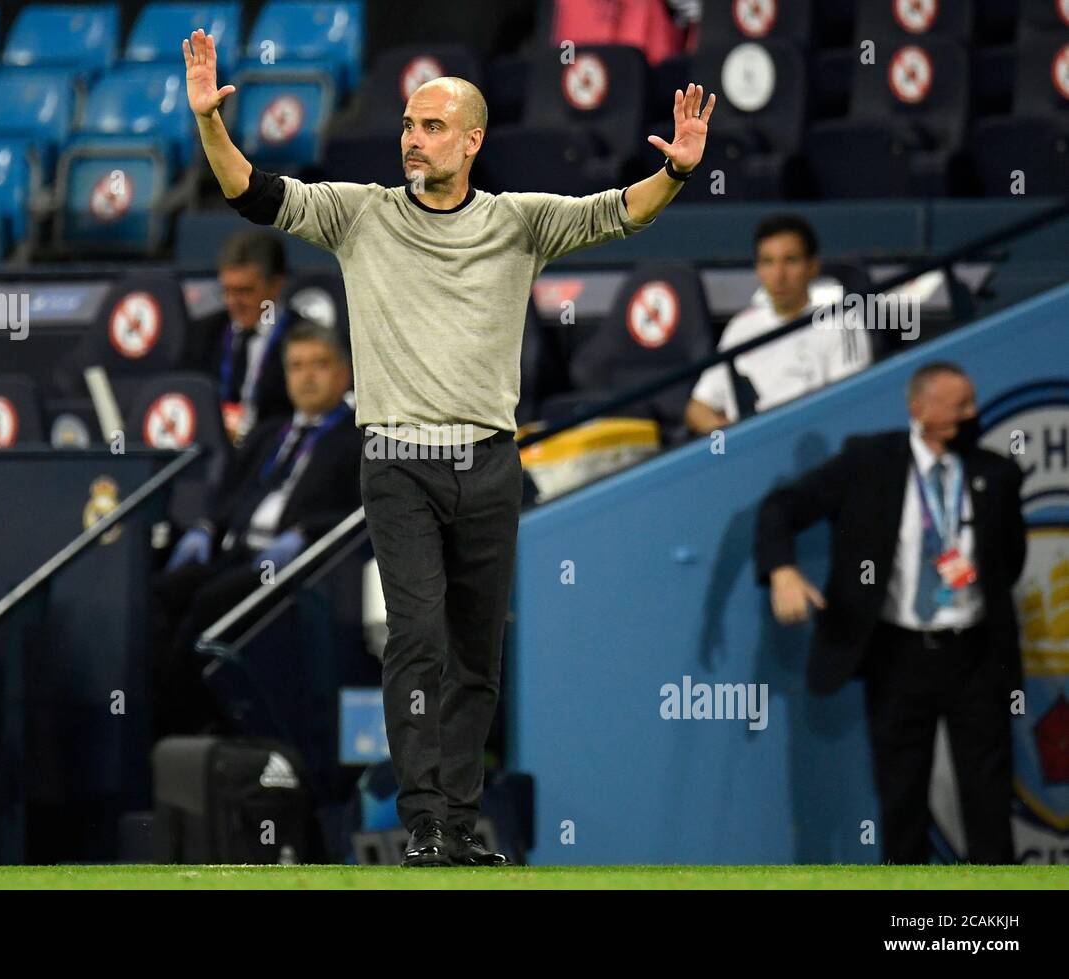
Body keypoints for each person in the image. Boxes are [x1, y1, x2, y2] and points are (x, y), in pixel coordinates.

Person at [183, 28, 715, 865]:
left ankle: (457, 825)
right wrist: (212, 124)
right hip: (397, 461)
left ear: (471, 140)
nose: (412, 138)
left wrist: (679, 167)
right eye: (406, 124)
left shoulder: (519, 222)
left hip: (491, 463)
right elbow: (252, 193)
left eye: (432, 126)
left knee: (476, 655)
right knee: (417, 637)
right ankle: (424, 820)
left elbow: (624, 211)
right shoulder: (361, 214)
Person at [755, 362, 1027, 864]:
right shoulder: (869, 464)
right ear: (917, 408)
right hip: (898, 660)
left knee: (988, 807)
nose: (971, 414)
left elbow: (1008, 561)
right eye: (958, 405)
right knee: (901, 806)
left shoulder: (996, 473)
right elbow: (780, 507)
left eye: (972, 403)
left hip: (977, 659)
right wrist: (782, 571)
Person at [149, 322, 361, 742]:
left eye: (320, 365)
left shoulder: (359, 437)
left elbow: (363, 512)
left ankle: (178, 727)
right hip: (235, 554)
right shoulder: (269, 433)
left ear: (345, 373)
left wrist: (305, 533)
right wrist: (205, 529)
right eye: (297, 366)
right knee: (160, 593)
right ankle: (158, 716)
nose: (308, 376)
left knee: (210, 604)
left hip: (293, 570)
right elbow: (225, 496)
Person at [685, 214, 871, 435]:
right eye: (768, 262)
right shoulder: (740, 328)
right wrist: (724, 434)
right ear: (758, 269)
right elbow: (699, 407)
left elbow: (849, 409)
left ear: (813, 266)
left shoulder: (842, 324)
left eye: (791, 260)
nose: (779, 275)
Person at [183, 230, 298, 445]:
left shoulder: (301, 338)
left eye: (244, 291)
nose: (233, 302)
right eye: (227, 291)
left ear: (276, 285)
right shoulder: (203, 333)